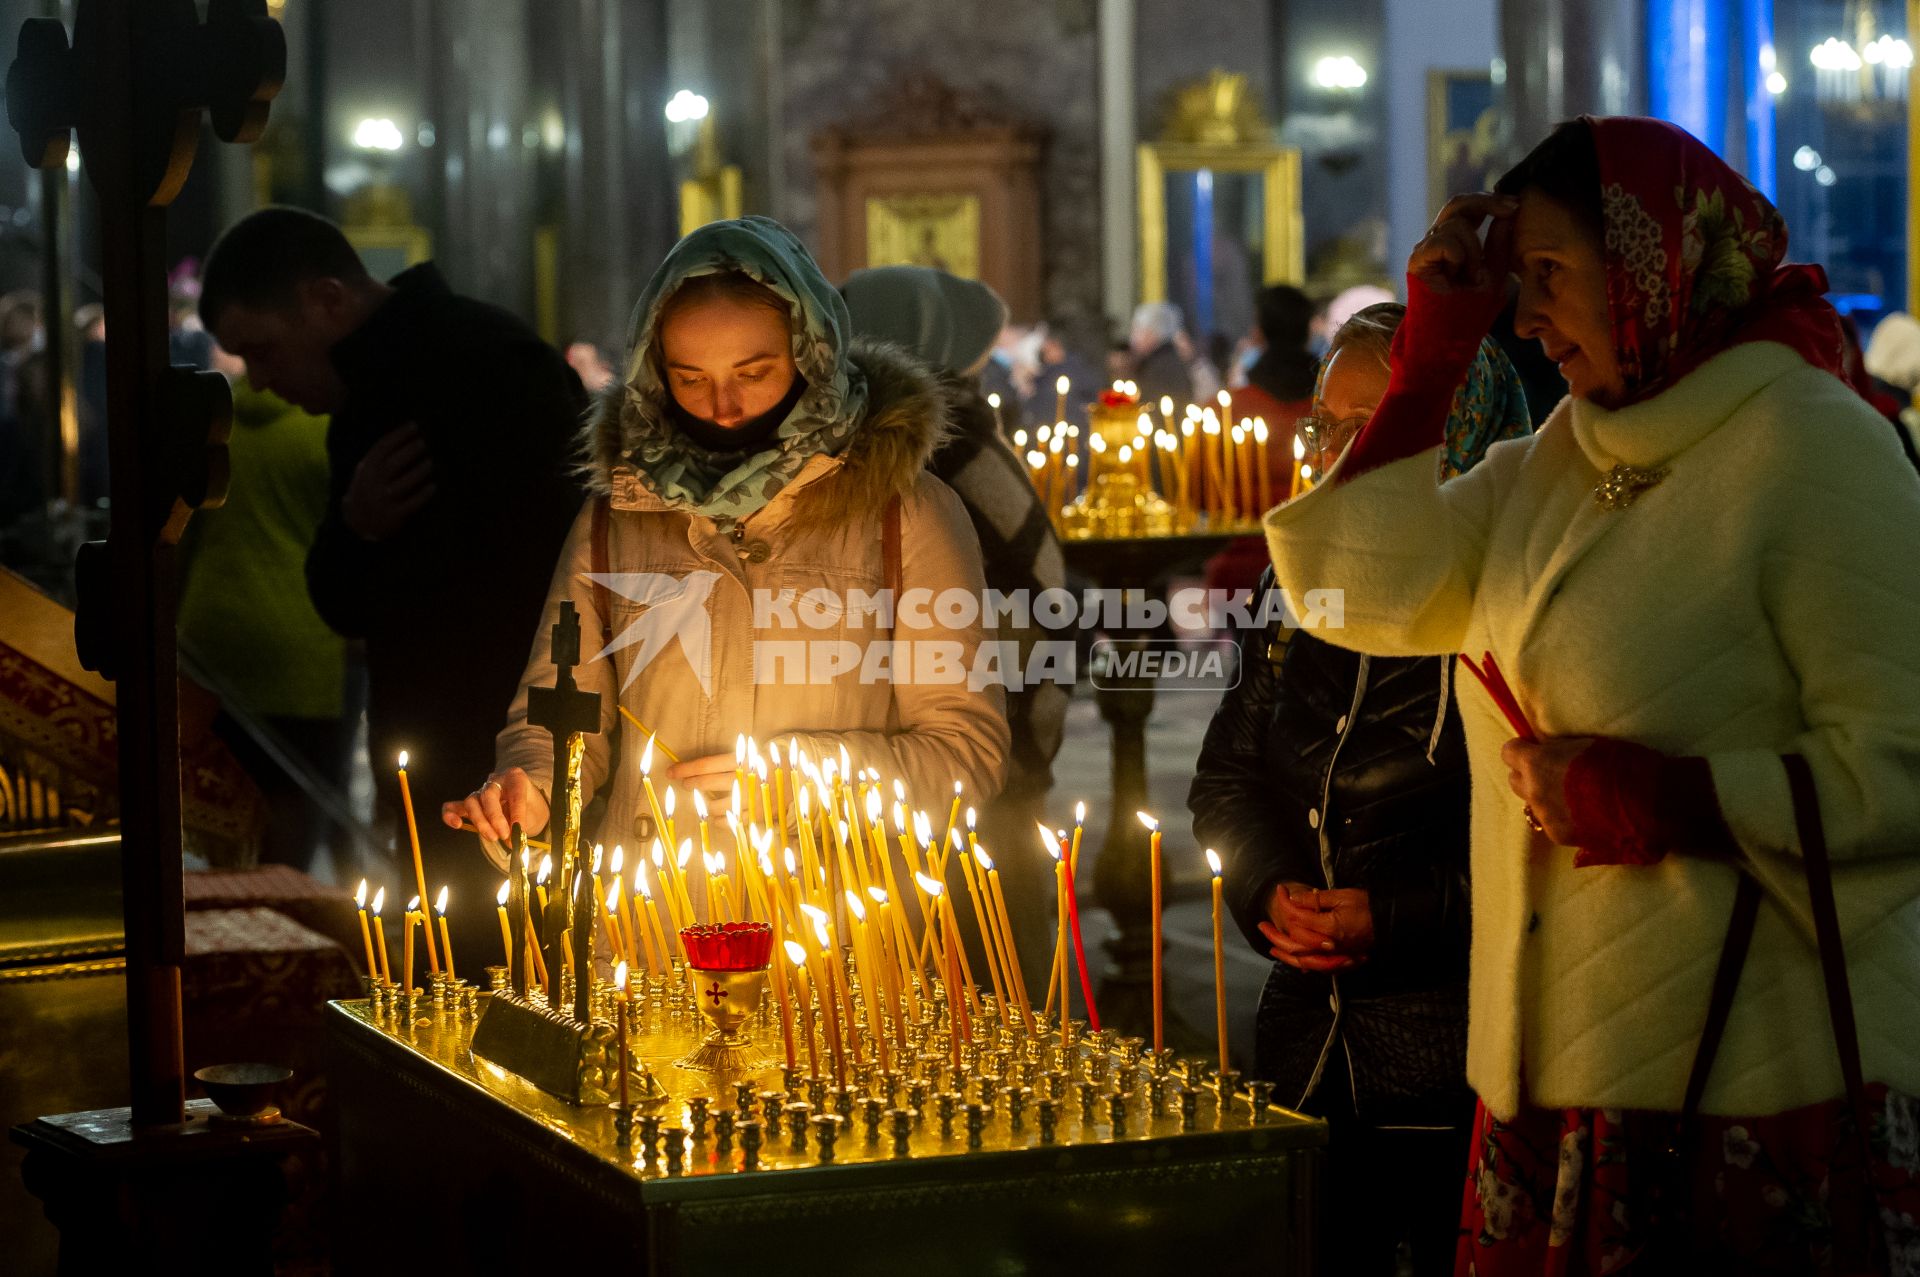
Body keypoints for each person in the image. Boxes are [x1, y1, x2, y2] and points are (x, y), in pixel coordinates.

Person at [1263, 116, 1920, 1273]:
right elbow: (1357, 595)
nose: (1526, 318)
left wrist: (1669, 801)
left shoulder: (1813, 447)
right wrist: (1430, 357)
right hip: (1552, 1077)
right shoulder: (1562, 459)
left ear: (1654, 266)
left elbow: (1903, 759)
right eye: (1516, 285)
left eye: (1551, 276)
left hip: (1750, 1083)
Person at [441, 217, 1009, 899]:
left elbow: (965, 755)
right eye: (689, 377)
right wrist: (529, 794)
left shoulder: (904, 511)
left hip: (833, 932)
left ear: (811, 355)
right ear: (655, 373)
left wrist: (795, 780)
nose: (724, 405)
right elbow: (557, 713)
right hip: (651, 932)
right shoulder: (615, 515)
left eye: (755, 372)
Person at [1191, 302, 1529, 1276]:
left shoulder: (1512, 590)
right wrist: (1266, 891)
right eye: (1325, 424)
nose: (1336, 449)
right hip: (1306, 1040)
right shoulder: (1297, 580)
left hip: (1454, 1049)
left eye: (1369, 422)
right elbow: (1229, 774)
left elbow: (1547, 837)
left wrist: (1394, 916)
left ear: (1457, 426)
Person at [201, 207, 585, 969]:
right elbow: (342, 602)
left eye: (264, 350)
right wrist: (357, 524)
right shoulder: (362, 400)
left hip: (525, 749)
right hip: (431, 754)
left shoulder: (489, 361)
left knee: (521, 976)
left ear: (326, 299)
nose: (265, 382)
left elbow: (574, 570)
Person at [841, 263, 1068, 993]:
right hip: (1004, 762)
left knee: (981, 1004)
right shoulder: (971, 431)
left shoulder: (932, 458)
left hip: (977, 782)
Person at [178, 344, 346, 870]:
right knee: (293, 806)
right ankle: (284, 928)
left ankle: (234, 922)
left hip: (209, 640)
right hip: (301, 643)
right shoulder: (325, 432)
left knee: (223, 804)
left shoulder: (218, 427)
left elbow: (180, 537)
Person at [1203, 285, 1324, 598]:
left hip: (1240, 563)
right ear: (1309, 332)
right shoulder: (1330, 410)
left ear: (1258, 333)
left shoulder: (1225, 411)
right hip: (1317, 561)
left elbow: (1203, 492)